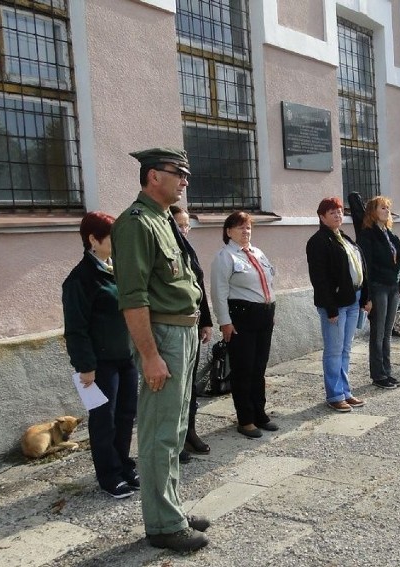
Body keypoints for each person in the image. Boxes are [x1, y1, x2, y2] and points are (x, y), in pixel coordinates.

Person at [111, 147, 210, 553]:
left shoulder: (163, 219)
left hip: (182, 333)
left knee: (176, 429)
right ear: (153, 176)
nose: (185, 181)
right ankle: (162, 525)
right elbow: (132, 299)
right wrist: (150, 356)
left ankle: (172, 510)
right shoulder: (136, 224)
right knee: (159, 434)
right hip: (163, 337)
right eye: (178, 173)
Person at [62, 211, 139, 499]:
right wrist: (85, 366)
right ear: (93, 240)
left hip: (124, 357)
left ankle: (123, 465)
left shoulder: (114, 269)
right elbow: (76, 328)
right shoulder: (80, 279)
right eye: (112, 238)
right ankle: (108, 475)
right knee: (103, 420)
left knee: (125, 416)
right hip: (100, 365)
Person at [210, 212, 277, 438]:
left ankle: (260, 412)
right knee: (244, 369)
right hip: (242, 319)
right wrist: (224, 322)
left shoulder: (257, 253)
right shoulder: (225, 256)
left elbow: (267, 282)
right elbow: (219, 292)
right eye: (240, 228)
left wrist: (269, 311)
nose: (246, 231)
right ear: (228, 231)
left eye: (248, 227)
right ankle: (245, 419)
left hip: (263, 316)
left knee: (259, 368)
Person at [306, 197, 370, 412]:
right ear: (322, 216)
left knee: (345, 349)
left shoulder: (344, 238)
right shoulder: (318, 241)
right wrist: (330, 307)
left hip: (352, 300)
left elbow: (361, 267)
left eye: (340, 212)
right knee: (334, 351)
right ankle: (334, 395)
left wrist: (365, 297)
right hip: (335, 304)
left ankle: (345, 391)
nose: (337, 215)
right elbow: (319, 278)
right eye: (332, 212)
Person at [170, 206, 212, 461]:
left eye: (187, 225)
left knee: (191, 385)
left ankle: (190, 432)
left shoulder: (188, 250)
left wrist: (206, 321)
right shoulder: (167, 250)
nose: (185, 230)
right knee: (177, 386)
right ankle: (176, 438)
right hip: (175, 327)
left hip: (194, 324)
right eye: (180, 225)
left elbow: (199, 289)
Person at [357, 196, 400, 390]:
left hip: (392, 286)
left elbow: (399, 260)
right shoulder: (368, 234)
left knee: (388, 332)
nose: (387, 211)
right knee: (378, 332)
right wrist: (368, 296)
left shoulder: (388, 233)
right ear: (373, 211)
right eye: (382, 208)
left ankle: (387, 372)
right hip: (378, 286)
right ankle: (378, 374)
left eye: (388, 207)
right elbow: (367, 267)